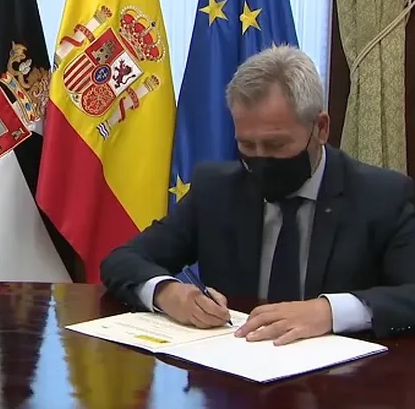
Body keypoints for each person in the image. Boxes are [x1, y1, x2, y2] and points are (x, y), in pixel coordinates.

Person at [101, 44, 415, 345]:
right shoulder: (216, 190)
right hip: (234, 366)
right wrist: (168, 293)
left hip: (342, 375)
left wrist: (328, 311)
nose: (260, 159)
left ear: (320, 128)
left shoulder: (382, 196)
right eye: (247, 145)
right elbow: (122, 260)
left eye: (276, 145)